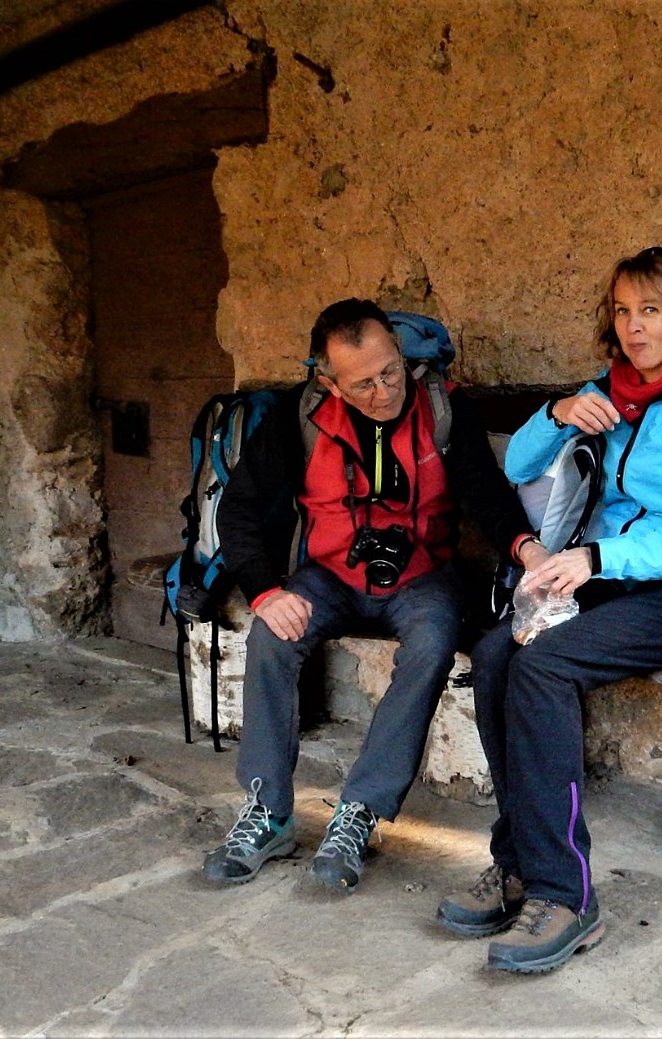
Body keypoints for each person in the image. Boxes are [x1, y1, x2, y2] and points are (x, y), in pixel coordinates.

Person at [435, 247, 662, 973]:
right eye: (623, 311)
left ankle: (566, 893)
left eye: (652, 310)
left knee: (543, 665)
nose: (636, 326)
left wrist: (598, 560)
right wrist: (556, 414)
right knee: (495, 653)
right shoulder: (609, 393)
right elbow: (519, 464)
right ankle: (518, 861)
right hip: (608, 578)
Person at [203, 298, 545, 892]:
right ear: (329, 383)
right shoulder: (299, 416)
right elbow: (238, 510)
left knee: (435, 639)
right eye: (363, 384)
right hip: (329, 574)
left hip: (421, 576)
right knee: (272, 635)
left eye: (392, 371)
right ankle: (268, 812)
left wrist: (526, 548)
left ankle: (359, 811)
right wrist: (264, 591)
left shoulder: (441, 405)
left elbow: (484, 493)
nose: (385, 391)